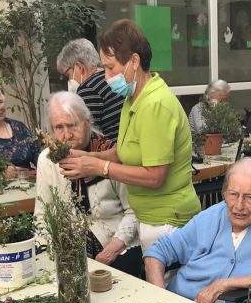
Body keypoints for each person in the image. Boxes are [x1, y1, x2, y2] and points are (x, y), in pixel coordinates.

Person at [57, 20, 201, 252]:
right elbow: (122, 152)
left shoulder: (155, 104)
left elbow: (155, 176)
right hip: (149, 218)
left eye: (110, 68)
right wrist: (88, 158)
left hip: (167, 221)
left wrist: (100, 168)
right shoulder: (133, 99)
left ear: (134, 61)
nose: (106, 77)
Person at [144, 157, 251, 303]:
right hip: (180, 301)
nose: (239, 206)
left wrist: (224, 284)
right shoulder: (211, 216)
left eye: (250, 197)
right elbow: (158, 252)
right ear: (224, 192)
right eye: (233, 194)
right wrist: (161, 296)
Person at [35, 92, 141, 277]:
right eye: (59, 127)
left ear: (87, 123)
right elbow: (42, 213)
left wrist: (113, 248)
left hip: (116, 240)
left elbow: (134, 212)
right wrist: (47, 249)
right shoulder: (47, 159)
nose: (67, 135)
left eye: (72, 125)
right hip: (69, 244)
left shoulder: (112, 154)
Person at [56, 38, 125, 145]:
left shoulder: (87, 89)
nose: (69, 80)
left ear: (79, 67)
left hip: (112, 150)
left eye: (68, 75)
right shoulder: (112, 79)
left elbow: (83, 137)